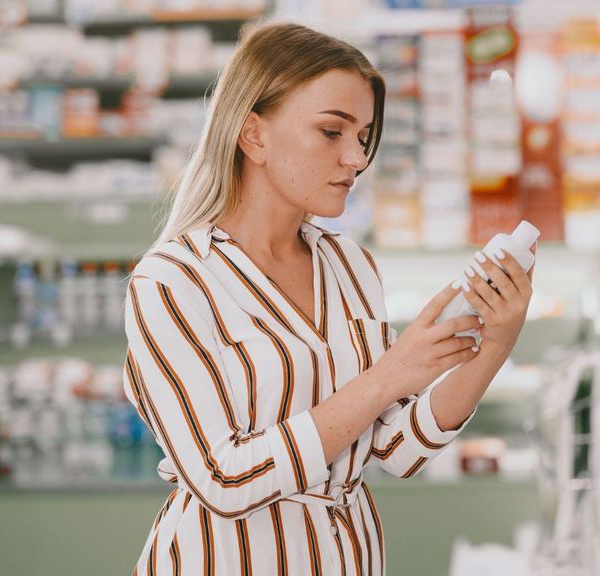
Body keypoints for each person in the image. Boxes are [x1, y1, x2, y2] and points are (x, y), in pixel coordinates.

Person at [122, 21, 535, 575]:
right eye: (331, 132)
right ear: (253, 134)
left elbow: (398, 449)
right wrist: (390, 374)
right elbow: (224, 478)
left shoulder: (350, 266)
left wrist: (496, 340)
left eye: (363, 136)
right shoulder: (172, 283)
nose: (356, 159)